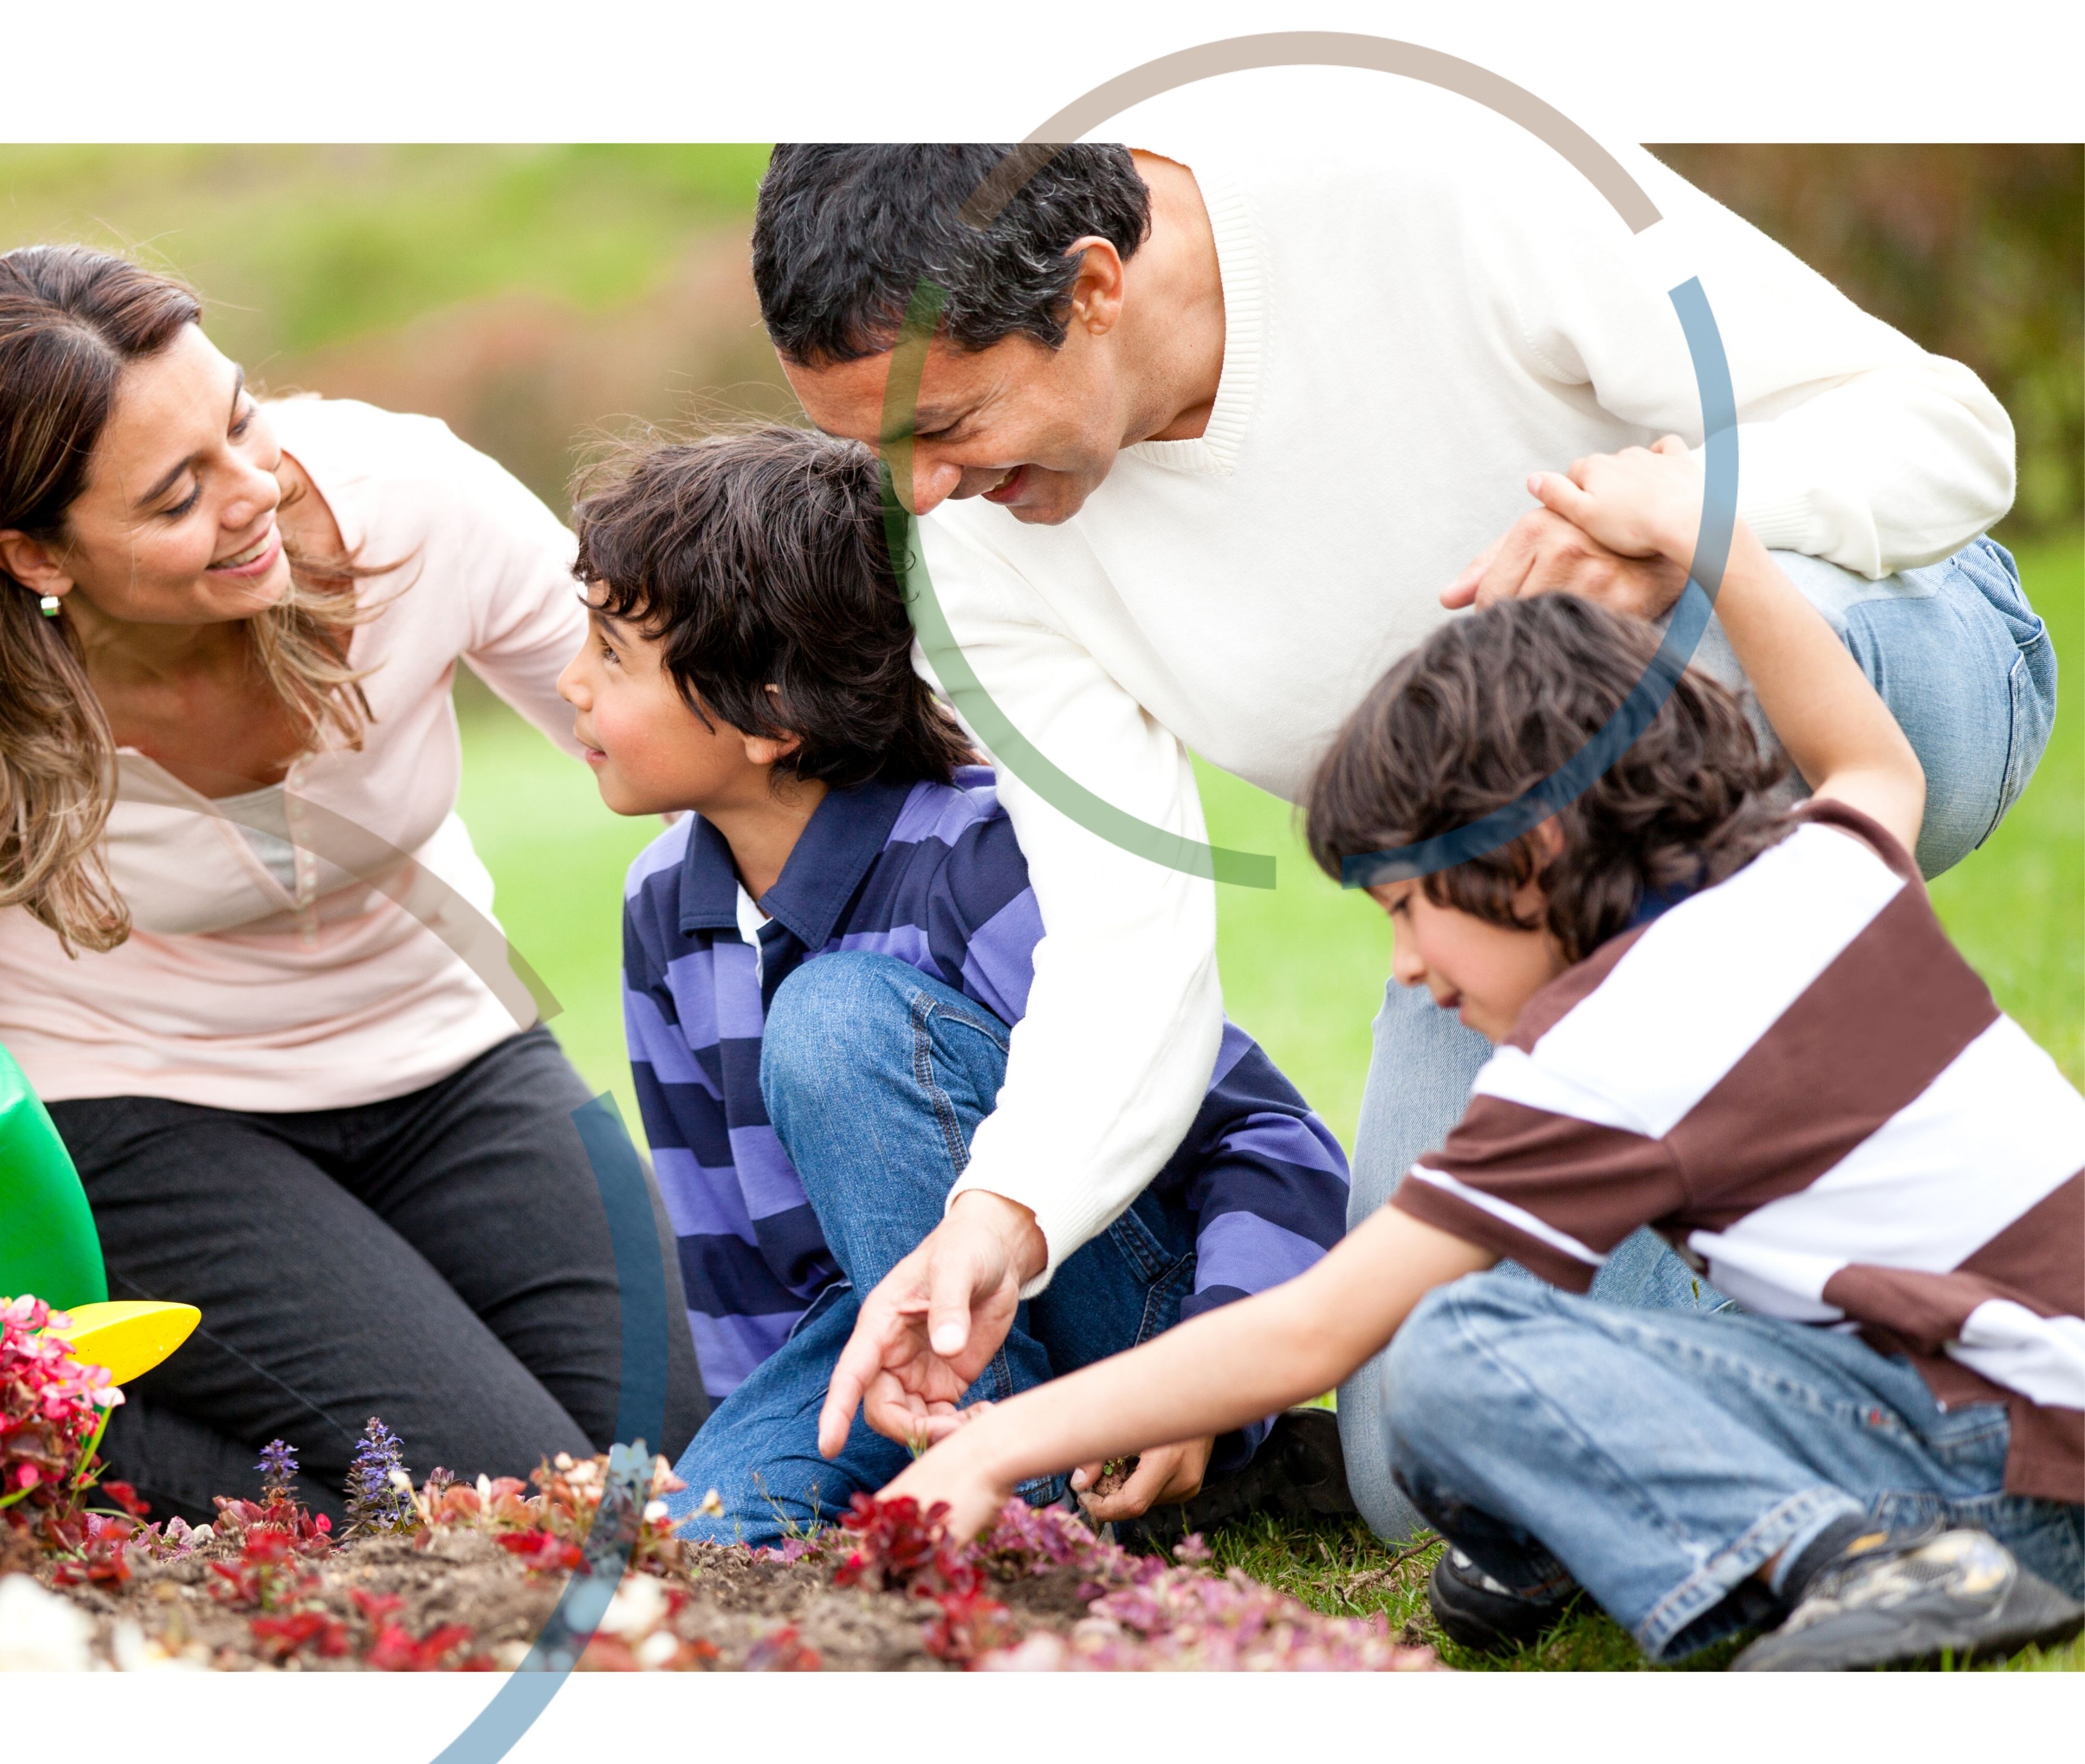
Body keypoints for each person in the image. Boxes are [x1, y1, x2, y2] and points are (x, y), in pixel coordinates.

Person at [749, 121, 2051, 1533]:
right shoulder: (967, 556)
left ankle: (1885, 1393)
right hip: (1503, 901)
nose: (917, 494)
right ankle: (1837, 1403)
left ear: (1092, 288)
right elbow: (1122, 935)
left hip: (1875, 649)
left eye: (940, 427)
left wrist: (1682, 514)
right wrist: (1004, 1213)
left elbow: (1942, 430)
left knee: (1669, 682)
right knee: (1424, 1479)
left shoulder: (1434, 177)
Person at [881, 442, 2085, 1673]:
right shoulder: (1817, 871)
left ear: (1537, 844)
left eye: (1409, 905)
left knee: (1456, 1353)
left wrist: (994, 1442)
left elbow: (1315, 1334)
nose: (1404, 964)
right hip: (2029, 1403)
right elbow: (1872, 758)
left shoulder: (1612, 1047)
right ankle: (1722, 1556)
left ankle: (1861, 1568)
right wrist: (1704, 533)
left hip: (2009, 1468)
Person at [0, 244, 702, 1519]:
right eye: (178, 495)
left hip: (450, 1058)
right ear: (33, 557)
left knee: (670, 1473)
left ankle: (89, 1426)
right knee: (518, 1507)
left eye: (241, 422)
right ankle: (44, 1431)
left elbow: (652, 711)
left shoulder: (407, 504)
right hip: (137, 1108)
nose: (253, 493)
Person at [562, 425, 1351, 1544]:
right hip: (879, 1353)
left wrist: (1212, 1379)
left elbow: (1274, 1147)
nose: (568, 684)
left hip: (1124, 1335)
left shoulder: (979, 862)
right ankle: (1006, 1508)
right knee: (692, 1545)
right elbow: (734, 1260)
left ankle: (1031, 1524)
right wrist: (753, 1438)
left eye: (611, 653)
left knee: (834, 1023)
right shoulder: (664, 906)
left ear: (770, 715)